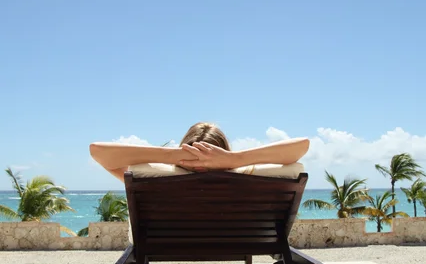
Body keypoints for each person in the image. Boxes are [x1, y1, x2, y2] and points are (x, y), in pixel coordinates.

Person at [89, 121, 310, 182]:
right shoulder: (251, 179)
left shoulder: (153, 178)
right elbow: (302, 146)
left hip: (161, 244)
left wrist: (171, 156)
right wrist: (235, 161)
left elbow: (98, 152)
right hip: (238, 242)